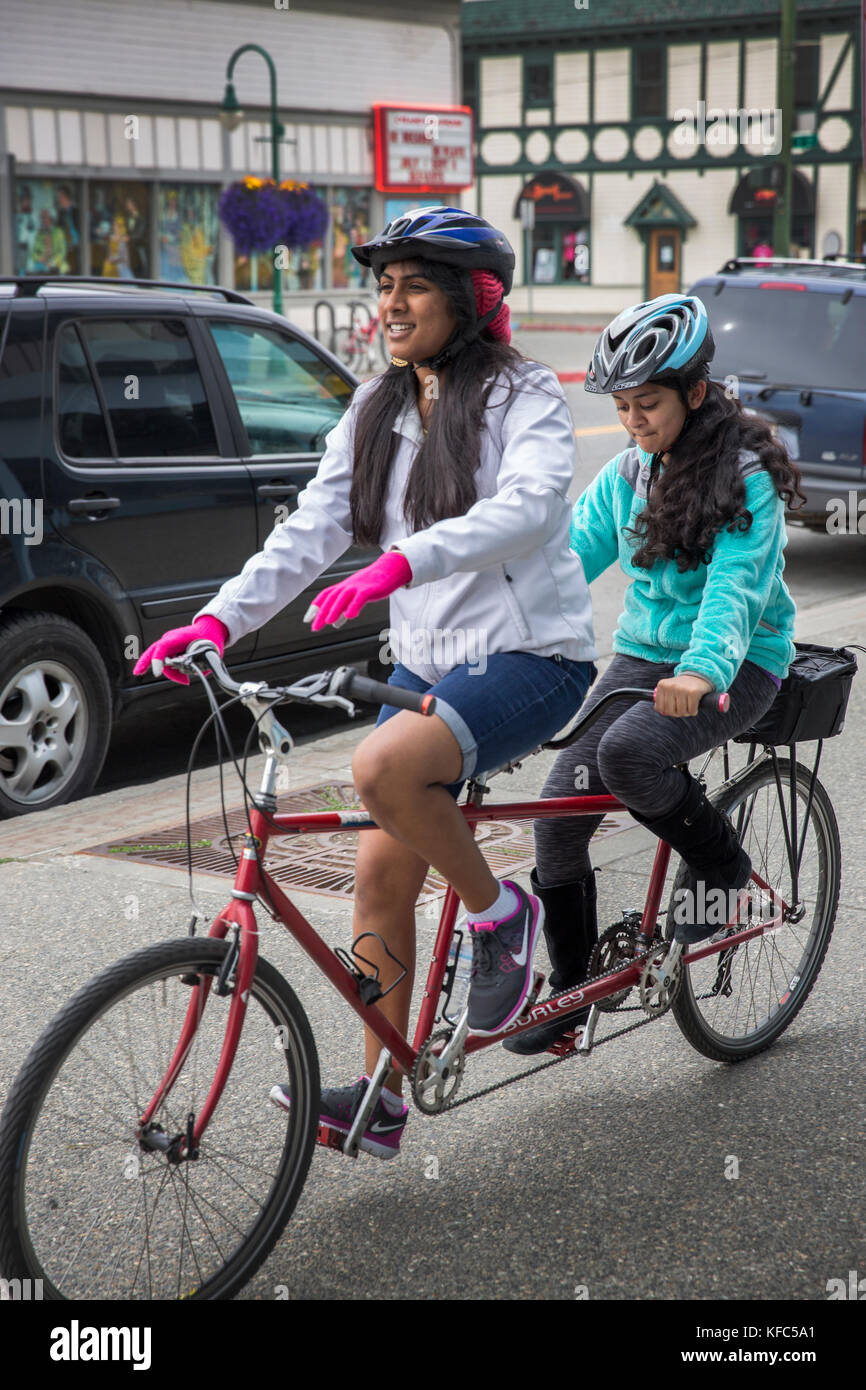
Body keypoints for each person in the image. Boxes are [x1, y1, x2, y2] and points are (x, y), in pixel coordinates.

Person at [134, 206, 598, 1157]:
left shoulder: (523, 394)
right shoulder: (378, 403)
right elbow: (310, 526)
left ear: (472, 299)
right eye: (383, 284)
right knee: (380, 877)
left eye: (413, 285)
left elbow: (533, 504)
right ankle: (383, 1094)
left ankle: (504, 915)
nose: (390, 302)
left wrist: (403, 562)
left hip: (530, 657)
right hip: (430, 659)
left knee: (383, 772)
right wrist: (220, 618)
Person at [505, 292, 804, 1056]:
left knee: (627, 753)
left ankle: (721, 865)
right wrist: (497, 625)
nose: (633, 421)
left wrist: (703, 672)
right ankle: (571, 996)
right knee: (558, 807)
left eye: (648, 404)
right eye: (623, 406)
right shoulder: (631, 471)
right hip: (645, 657)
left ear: (694, 394)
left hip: (740, 661)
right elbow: (568, 560)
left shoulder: (746, 479)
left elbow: (736, 591)